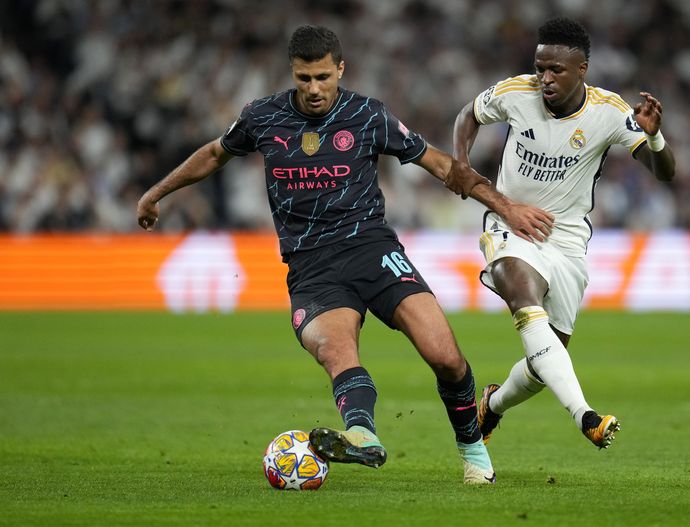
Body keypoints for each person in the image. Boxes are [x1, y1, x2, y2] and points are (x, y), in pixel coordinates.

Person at [136, 25, 535, 484]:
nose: (313, 89)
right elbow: (213, 153)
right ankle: (362, 436)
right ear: (292, 73)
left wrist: (506, 207)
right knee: (336, 350)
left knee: (444, 355)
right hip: (312, 266)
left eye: (323, 77)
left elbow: (441, 164)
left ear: (340, 70)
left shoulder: (368, 116)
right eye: (304, 78)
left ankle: (473, 452)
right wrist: (156, 193)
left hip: (372, 249)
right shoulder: (262, 117)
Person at [448, 17, 676, 450]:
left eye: (556, 70)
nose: (545, 78)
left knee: (545, 360)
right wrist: (462, 162)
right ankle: (585, 415)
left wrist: (656, 137)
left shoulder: (609, 111)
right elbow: (468, 114)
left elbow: (665, 172)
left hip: (567, 238)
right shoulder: (516, 92)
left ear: (582, 70)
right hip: (509, 222)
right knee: (521, 293)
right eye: (541, 67)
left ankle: (492, 405)